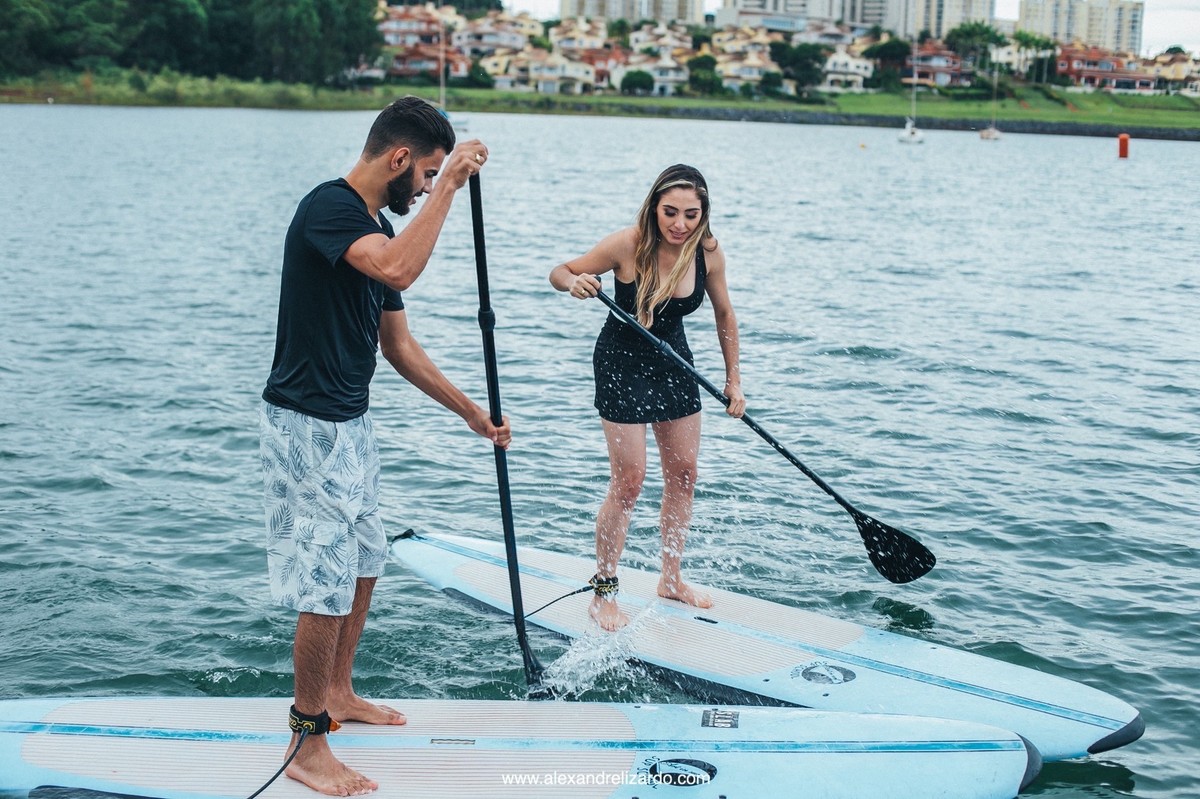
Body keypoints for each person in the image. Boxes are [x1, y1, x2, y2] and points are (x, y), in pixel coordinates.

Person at [258, 96, 509, 796]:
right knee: (325, 579)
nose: (427, 185)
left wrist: (472, 413)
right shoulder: (330, 210)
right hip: (307, 425)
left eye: (436, 177)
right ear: (398, 158)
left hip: (351, 423)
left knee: (365, 558)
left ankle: (337, 689)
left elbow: (397, 344)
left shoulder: (375, 226)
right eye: (425, 173)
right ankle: (307, 744)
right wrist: (454, 185)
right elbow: (400, 269)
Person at [548, 164, 745, 632]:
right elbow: (561, 270)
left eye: (691, 215)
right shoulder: (628, 243)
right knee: (631, 480)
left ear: (704, 214)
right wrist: (573, 283)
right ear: (654, 207)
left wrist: (733, 379)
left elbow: (724, 313)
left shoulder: (708, 253)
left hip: (674, 361)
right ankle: (605, 589)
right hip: (621, 362)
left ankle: (671, 578)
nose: (680, 224)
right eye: (670, 212)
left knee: (684, 474)